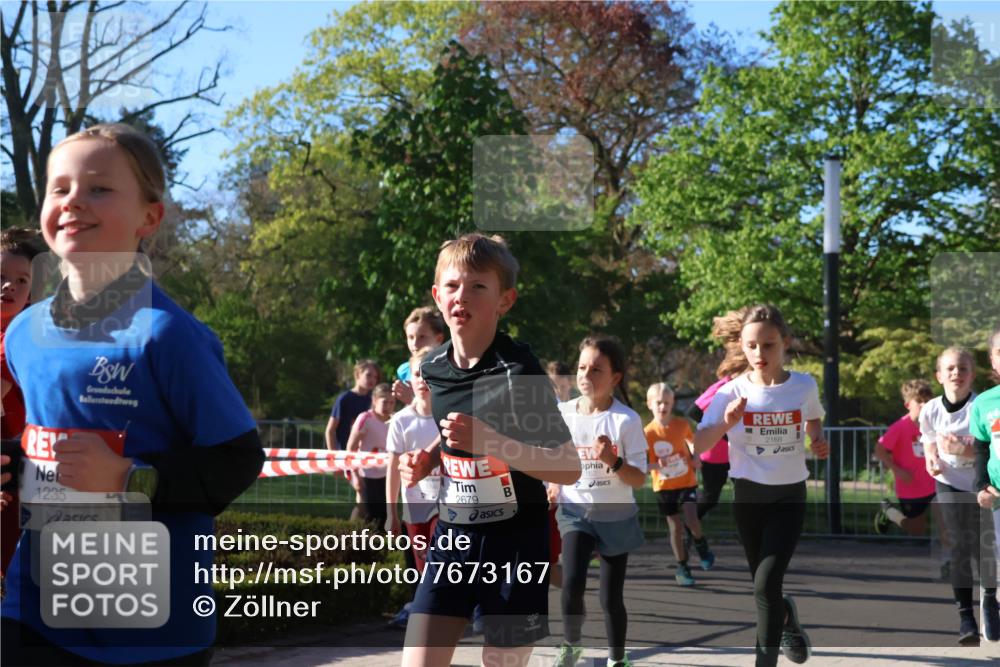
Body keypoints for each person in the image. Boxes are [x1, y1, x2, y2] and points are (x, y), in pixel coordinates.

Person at [0, 123, 264, 665]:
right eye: (60, 188)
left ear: (150, 217)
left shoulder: (167, 334)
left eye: (99, 188)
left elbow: (238, 461)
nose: (75, 201)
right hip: (35, 608)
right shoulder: (23, 333)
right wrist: (14, 464)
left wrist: (128, 478)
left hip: (150, 631)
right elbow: (51, 442)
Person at [398, 233, 580, 667]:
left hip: (516, 544)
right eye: (453, 285)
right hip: (453, 536)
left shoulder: (518, 371)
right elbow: (454, 433)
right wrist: (427, 459)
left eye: (478, 286)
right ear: (437, 296)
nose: (462, 296)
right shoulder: (434, 368)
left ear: (505, 300)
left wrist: (492, 443)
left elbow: (568, 467)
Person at [694, 304, 828, 667]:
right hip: (749, 497)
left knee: (766, 583)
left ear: (785, 342)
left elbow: (813, 418)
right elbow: (699, 443)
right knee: (764, 587)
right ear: (741, 344)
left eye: (768, 345)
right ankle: (786, 619)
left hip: (789, 496)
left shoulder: (803, 385)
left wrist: (817, 439)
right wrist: (726, 423)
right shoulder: (730, 392)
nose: (759, 353)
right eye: (751, 345)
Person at [550, 335, 647, 667]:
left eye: (596, 369)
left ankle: (617, 658)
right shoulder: (562, 413)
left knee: (610, 596)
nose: (585, 375)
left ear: (615, 377)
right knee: (572, 582)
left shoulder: (626, 420)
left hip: (615, 515)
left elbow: (639, 479)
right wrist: (553, 484)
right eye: (581, 367)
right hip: (575, 510)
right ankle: (571, 644)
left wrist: (613, 461)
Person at [922, 346, 994, 644]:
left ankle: (990, 603)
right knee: (957, 548)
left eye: (963, 368)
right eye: (950, 368)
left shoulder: (982, 407)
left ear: (972, 375)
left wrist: (963, 450)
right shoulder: (930, 410)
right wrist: (931, 458)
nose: (956, 373)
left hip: (982, 484)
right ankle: (966, 617)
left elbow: (992, 449)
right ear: (939, 376)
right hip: (949, 483)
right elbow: (928, 438)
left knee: (984, 549)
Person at [385, 346, 442, 627]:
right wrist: (391, 513)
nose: (423, 380)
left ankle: (438, 617)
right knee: (422, 568)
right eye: (418, 374)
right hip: (415, 508)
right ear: (410, 378)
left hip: (447, 506)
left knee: (440, 563)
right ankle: (425, 618)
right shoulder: (401, 421)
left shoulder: (448, 417)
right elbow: (393, 470)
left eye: (429, 373)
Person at [0, 228, 42, 576]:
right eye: (1, 276)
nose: (9, 286)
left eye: (21, 280)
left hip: (17, 473)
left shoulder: (21, 337)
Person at [646, 382, 714, 587]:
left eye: (666, 403)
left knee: (692, 517)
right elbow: (641, 464)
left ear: (672, 403)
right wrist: (656, 465)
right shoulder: (647, 433)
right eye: (658, 402)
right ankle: (682, 566)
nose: (662, 406)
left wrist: (696, 456)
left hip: (686, 481)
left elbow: (692, 443)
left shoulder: (681, 425)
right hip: (663, 486)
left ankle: (701, 544)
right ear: (649, 404)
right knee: (675, 527)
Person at [686, 308, 751, 521]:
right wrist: (725, 430)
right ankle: (689, 523)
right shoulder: (725, 387)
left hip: (739, 455)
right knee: (711, 498)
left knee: (749, 495)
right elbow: (696, 412)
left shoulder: (757, 389)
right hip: (714, 454)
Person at [873, 380, 938, 536]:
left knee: (948, 521)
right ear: (908, 405)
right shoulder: (900, 427)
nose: (924, 405)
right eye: (919, 401)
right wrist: (897, 471)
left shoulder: (935, 424)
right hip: (910, 486)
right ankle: (889, 512)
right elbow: (879, 449)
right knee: (916, 530)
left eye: (927, 401)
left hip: (934, 483)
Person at [972, 324, 1000, 642]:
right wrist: (980, 485)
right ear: (992, 359)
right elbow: (980, 448)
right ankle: (990, 597)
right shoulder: (985, 403)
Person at [346, 383, 395, 527]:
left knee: (383, 513)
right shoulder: (365, 418)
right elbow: (351, 448)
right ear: (374, 400)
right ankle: (348, 534)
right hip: (365, 474)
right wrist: (355, 475)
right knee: (365, 511)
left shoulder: (395, 420)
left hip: (386, 474)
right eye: (384, 402)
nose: (388, 406)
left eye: (392, 402)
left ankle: (381, 539)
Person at [392, 307, 446, 406]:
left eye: (422, 337)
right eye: (410, 337)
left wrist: (412, 400)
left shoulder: (450, 369)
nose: (415, 343)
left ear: (439, 339)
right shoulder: (404, 371)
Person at [325, 359, 381, 450]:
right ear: (357, 374)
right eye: (369, 375)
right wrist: (333, 454)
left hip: (364, 452)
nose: (372, 380)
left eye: (375, 377)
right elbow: (330, 430)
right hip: (344, 451)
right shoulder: (345, 398)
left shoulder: (373, 400)